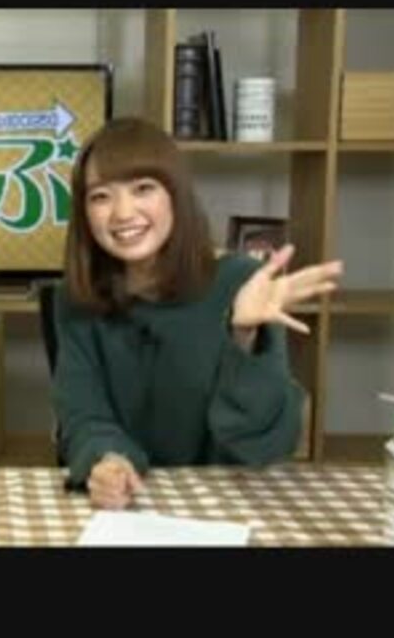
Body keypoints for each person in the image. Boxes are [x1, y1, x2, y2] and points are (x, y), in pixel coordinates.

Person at [51, 117, 343, 509]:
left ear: (176, 195)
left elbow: (266, 444)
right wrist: (108, 460)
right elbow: (83, 415)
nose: (122, 212)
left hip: (229, 501)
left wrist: (244, 335)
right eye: (100, 196)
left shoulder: (242, 283)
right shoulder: (76, 298)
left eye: (143, 189)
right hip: (131, 506)